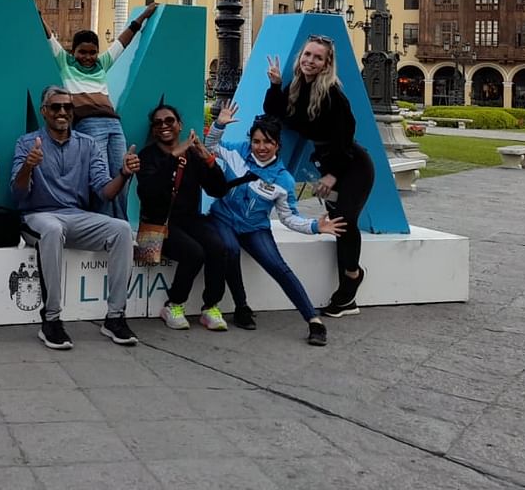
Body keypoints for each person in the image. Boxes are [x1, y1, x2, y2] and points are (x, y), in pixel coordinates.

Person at [204, 106, 347, 347]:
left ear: (277, 144)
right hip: (223, 218)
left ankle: (313, 320)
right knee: (229, 249)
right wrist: (220, 124)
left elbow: (289, 217)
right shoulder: (237, 151)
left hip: (255, 228)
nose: (260, 147)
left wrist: (315, 226)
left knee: (278, 267)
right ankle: (242, 307)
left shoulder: (283, 179)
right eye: (256, 141)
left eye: (267, 142)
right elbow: (210, 147)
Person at [12, 85, 140, 350]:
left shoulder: (88, 144)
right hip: (37, 216)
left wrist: (125, 174)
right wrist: (29, 165)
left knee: (121, 229)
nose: (62, 112)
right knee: (51, 229)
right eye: (56, 107)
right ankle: (51, 320)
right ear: (44, 111)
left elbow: (104, 191)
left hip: (77, 216)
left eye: (68, 107)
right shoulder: (27, 143)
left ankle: (115, 317)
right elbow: (18, 193)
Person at [264, 35, 376, 317]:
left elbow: (345, 135)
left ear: (327, 64)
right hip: (328, 165)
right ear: (300, 56)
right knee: (338, 225)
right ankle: (346, 297)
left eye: (317, 57)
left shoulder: (332, 93)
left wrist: (332, 175)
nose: (310, 61)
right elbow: (277, 114)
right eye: (307, 55)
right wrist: (276, 84)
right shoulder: (298, 87)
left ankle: (352, 276)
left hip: (352, 166)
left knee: (345, 222)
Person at [43, 2, 158, 218]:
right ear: (72, 51)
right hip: (88, 124)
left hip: (114, 124)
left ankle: (120, 224)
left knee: (122, 174)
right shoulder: (65, 63)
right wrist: (37, 14)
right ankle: (103, 223)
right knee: (101, 177)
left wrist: (144, 16)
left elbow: (123, 41)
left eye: (92, 52)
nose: (87, 57)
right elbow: (50, 38)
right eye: (82, 52)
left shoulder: (102, 64)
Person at [133, 103, 237, 332]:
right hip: (158, 224)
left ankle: (210, 306)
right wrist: (172, 158)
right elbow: (149, 194)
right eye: (158, 123)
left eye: (169, 120)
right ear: (153, 131)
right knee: (193, 252)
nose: (164, 126)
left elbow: (218, 190)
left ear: (179, 125)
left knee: (218, 247)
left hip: (188, 219)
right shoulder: (147, 156)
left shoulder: (192, 154)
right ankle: (174, 304)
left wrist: (207, 158)